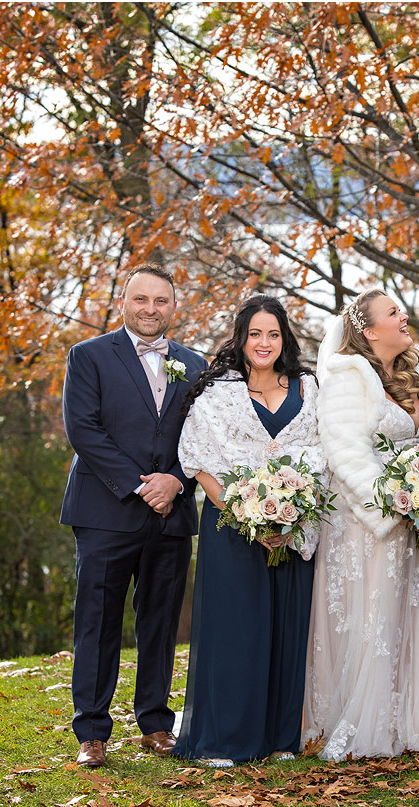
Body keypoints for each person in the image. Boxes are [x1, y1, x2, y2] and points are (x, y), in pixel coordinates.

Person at [305, 290, 419, 761]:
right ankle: (372, 720)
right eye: (393, 313)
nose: (404, 316)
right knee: (380, 614)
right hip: (370, 524)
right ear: (368, 331)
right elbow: (347, 453)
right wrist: (395, 504)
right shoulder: (347, 379)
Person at [60, 263, 208, 768]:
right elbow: (84, 430)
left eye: (160, 301)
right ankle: (92, 732)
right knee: (97, 622)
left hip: (172, 514)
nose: (150, 310)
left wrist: (176, 481)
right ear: (124, 302)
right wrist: (143, 485)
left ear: (173, 306)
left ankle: (155, 723)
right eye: (141, 300)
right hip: (106, 509)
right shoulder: (89, 356)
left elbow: (206, 437)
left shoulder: (195, 363)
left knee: (161, 622)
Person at [173, 294, 326, 767]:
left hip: (294, 529)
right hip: (231, 529)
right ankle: (226, 739)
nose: (264, 343)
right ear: (241, 339)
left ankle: (280, 737)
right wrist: (247, 515)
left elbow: (323, 454)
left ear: (285, 339)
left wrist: (289, 515)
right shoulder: (218, 393)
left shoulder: (309, 387)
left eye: (273, 334)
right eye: (255, 334)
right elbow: (199, 463)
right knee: (236, 632)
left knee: (285, 628)